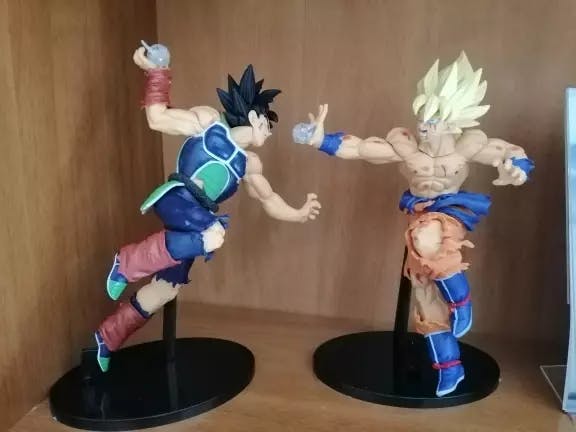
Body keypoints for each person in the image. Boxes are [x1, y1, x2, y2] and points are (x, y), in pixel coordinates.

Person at [294, 52, 534, 397]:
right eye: (422, 116)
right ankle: (450, 368)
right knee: (423, 296)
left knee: (426, 237)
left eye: (433, 119)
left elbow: (508, 151)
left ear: (451, 122)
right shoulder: (406, 147)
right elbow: (361, 148)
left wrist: (518, 167)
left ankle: (462, 301)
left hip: (451, 212)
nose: (424, 125)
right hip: (419, 214)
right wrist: (321, 140)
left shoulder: (468, 144)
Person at [94, 44, 321, 372]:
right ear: (255, 117)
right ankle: (126, 262)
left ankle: (108, 337)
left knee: (165, 289)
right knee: (213, 234)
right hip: (178, 199)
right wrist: (157, 72)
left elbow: (269, 199)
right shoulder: (209, 123)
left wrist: (297, 213)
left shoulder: (249, 164)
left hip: (197, 218)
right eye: (267, 126)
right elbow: (158, 119)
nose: (268, 135)